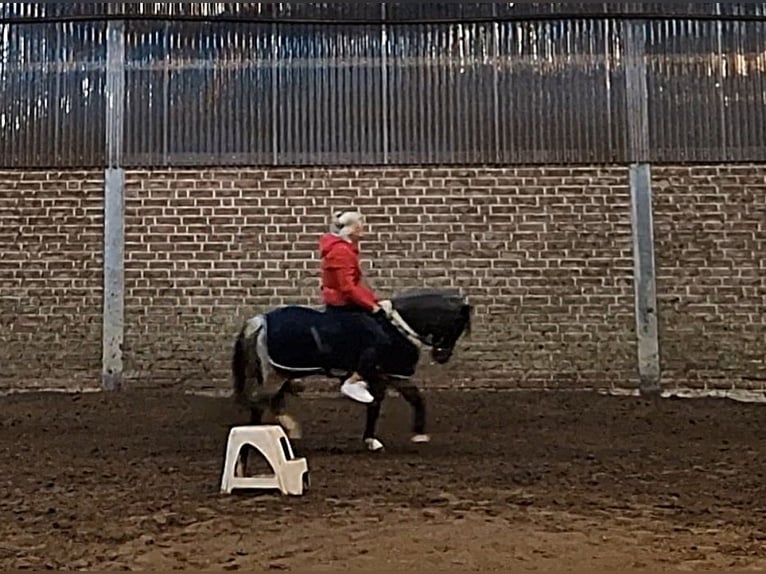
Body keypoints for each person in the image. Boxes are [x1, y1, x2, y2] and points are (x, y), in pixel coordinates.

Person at [319, 210, 393, 404]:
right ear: (352, 228)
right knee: (380, 339)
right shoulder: (341, 252)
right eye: (361, 224)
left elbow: (356, 285)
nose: (364, 228)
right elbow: (347, 287)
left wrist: (375, 302)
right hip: (342, 307)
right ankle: (354, 380)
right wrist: (372, 307)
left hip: (347, 303)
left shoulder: (345, 249)